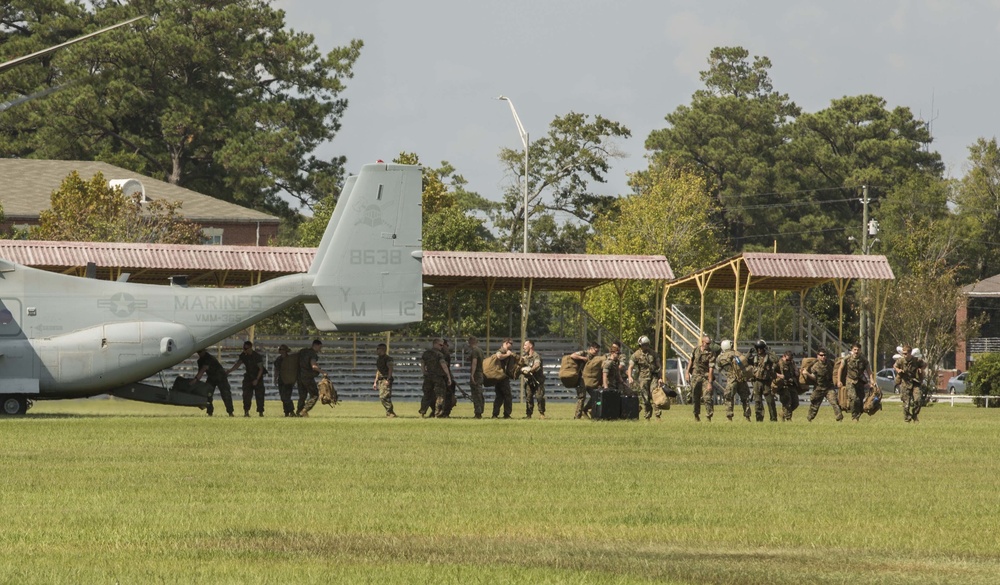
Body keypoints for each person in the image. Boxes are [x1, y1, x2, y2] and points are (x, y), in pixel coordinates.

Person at [628, 335, 665, 421]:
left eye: (647, 344)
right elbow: (630, 367)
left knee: (655, 395)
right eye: (644, 345)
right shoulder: (636, 355)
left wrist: (660, 377)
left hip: (653, 377)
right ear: (640, 345)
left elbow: (659, 366)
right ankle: (647, 416)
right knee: (645, 398)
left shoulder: (653, 354)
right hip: (643, 378)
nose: (646, 346)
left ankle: (657, 416)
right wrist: (630, 377)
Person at [227, 340, 266, 417]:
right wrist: (229, 371)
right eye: (244, 348)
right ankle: (246, 412)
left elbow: (261, 369)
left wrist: (257, 380)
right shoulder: (243, 355)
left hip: (257, 376)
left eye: (246, 348)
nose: (245, 350)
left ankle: (261, 412)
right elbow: (237, 364)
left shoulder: (256, 356)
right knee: (246, 395)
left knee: (260, 396)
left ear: (250, 348)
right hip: (248, 376)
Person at [715, 339, 751, 421]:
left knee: (729, 398)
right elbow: (743, 363)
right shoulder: (737, 353)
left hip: (731, 380)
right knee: (745, 398)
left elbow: (718, 368)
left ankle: (729, 417)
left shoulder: (720, 357)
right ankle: (747, 417)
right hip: (741, 379)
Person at [805, 348, 843, 422]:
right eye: (821, 355)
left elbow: (836, 368)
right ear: (818, 356)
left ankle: (839, 418)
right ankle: (809, 419)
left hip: (829, 387)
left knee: (834, 402)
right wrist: (807, 374)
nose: (823, 357)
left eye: (824, 355)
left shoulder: (829, 363)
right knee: (815, 405)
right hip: (819, 387)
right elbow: (813, 377)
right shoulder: (815, 366)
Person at [194, 348, 234, 417]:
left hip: (220, 377)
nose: (199, 353)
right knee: (207, 394)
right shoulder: (200, 361)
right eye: (198, 352)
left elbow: (203, 370)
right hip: (211, 377)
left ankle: (230, 412)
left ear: (204, 350)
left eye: (200, 351)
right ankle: (210, 412)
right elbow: (200, 372)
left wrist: (195, 380)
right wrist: (196, 380)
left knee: (226, 394)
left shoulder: (209, 358)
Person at [747, 339, 777, 422]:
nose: (759, 350)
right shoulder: (754, 358)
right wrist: (749, 353)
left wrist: (770, 351)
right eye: (758, 348)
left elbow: (776, 360)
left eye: (761, 348)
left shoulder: (769, 358)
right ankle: (759, 419)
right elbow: (744, 361)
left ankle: (773, 418)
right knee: (758, 402)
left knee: (770, 401)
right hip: (756, 382)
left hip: (766, 382)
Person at [841, 343, 873, 421]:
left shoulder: (864, 360)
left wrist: (872, 381)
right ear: (852, 350)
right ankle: (854, 416)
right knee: (854, 398)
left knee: (861, 400)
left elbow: (869, 371)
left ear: (860, 350)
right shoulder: (847, 359)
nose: (856, 351)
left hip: (859, 381)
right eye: (854, 350)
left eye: (858, 350)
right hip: (850, 381)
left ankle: (857, 415)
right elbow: (840, 369)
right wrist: (839, 380)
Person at [420, 338, 451, 418]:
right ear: (435, 344)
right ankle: (438, 413)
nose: (442, 347)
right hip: (438, 377)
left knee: (427, 395)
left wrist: (424, 372)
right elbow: (443, 365)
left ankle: (423, 411)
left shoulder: (426, 353)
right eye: (440, 345)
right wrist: (448, 376)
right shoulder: (439, 354)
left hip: (428, 377)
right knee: (440, 396)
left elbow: (422, 364)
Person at [687, 335, 715, 422]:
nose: (708, 345)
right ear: (702, 342)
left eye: (709, 343)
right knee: (695, 397)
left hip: (705, 376)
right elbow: (691, 361)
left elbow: (711, 369)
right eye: (707, 343)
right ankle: (696, 415)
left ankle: (708, 416)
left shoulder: (711, 353)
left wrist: (710, 382)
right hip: (695, 376)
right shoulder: (696, 349)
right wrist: (687, 373)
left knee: (707, 397)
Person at [894, 344, 925, 423]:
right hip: (905, 383)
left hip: (915, 382)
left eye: (905, 353)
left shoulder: (916, 360)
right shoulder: (901, 360)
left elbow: (924, 365)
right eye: (903, 353)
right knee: (906, 403)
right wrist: (898, 370)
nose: (904, 355)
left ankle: (915, 415)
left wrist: (921, 369)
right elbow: (895, 366)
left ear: (910, 353)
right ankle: (907, 418)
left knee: (918, 400)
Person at [570, 341, 601, 419]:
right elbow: (572, 355)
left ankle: (586, 410)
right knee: (582, 397)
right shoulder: (584, 353)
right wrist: (582, 358)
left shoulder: (596, 358)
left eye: (598, 351)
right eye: (595, 350)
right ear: (591, 348)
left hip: (591, 380)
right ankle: (577, 416)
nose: (596, 352)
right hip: (581, 379)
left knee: (595, 396)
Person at [297, 339, 326, 417]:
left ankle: (298, 411)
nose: (320, 349)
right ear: (315, 345)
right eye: (320, 347)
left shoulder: (303, 351)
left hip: (300, 376)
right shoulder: (313, 354)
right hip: (308, 377)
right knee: (315, 395)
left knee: (302, 395)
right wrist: (323, 372)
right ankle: (304, 410)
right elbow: (313, 366)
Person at [520, 339, 546, 419]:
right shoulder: (524, 357)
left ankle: (542, 414)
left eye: (525, 345)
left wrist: (530, 370)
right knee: (528, 397)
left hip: (537, 380)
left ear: (530, 346)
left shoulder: (536, 356)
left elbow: (537, 364)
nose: (524, 347)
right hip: (529, 381)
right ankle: (528, 415)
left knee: (539, 397)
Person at [491, 338, 516, 419]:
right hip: (501, 377)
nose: (512, 345)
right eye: (510, 343)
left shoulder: (506, 351)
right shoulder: (502, 350)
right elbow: (498, 356)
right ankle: (506, 414)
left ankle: (495, 414)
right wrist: (507, 355)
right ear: (506, 343)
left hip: (501, 377)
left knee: (499, 397)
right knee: (507, 396)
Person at [773, 350, 800, 421]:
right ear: (783, 357)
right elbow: (771, 372)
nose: (788, 361)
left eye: (790, 360)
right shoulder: (778, 363)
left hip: (791, 384)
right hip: (783, 385)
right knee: (787, 402)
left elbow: (795, 371)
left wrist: (796, 371)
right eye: (787, 360)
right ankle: (788, 418)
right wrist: (779, 375)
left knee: (795, 403)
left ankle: (782, 414)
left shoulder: (792, 363)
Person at [273, 344, 297, 417]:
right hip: (281, 379)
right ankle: (286, 412)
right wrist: (275, 378)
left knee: (286, 396)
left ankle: (291, 411)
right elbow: (276, 370)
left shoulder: (290, 359)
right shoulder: (278, 359)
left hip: (289, 379)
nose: (281, 351)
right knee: (283, 396)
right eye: (280, 349)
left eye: (282, 349)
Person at [373, 343, 396, 418]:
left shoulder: (388, 359)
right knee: (383, 396)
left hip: (385, 379)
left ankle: (390, 412)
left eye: (378, 349)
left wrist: (388, 379)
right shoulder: (379, 359)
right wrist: (375, 382)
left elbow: (390, 369)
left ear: (382, 349)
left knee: (384, 396)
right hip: (380, 380)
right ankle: (390, 412)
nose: (377, 350)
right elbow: (378, 370)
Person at [466, 336, 486, 419]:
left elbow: (474, 362)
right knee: (479, 393)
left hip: (476, 374)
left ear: (470, 342)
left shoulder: (474, 351)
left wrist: (472, 374)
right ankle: (480, 410)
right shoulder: (480, 350)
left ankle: (478, 413)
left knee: (476, 394)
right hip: (480, 373)